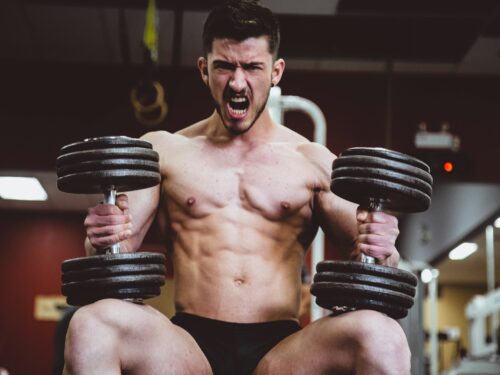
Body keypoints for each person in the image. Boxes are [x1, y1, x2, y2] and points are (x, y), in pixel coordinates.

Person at [63, 1, 410, 374]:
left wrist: (384, 248)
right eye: (225, 66)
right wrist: (101, 236)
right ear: (204, 69)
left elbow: (378, 267)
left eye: (252, 67)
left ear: (276, 71)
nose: (238, 82)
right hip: (189, 349)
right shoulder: (163, 152)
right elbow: (113, 254)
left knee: (383, 336)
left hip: (281, 353)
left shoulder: (312, 160)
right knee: (91, 324)